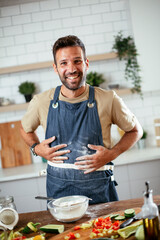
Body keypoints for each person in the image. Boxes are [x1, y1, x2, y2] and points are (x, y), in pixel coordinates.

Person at [20, 35, 143, 204]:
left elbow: (136, 130)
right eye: (64, 63)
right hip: (59, 194)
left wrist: (112, 153)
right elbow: (24, 129)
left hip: (99, 192)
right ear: (55, 68)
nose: (71, 69)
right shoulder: (41, 101)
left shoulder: (108, 99)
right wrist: (36, 148)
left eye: (77, 61)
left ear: (86, 63)